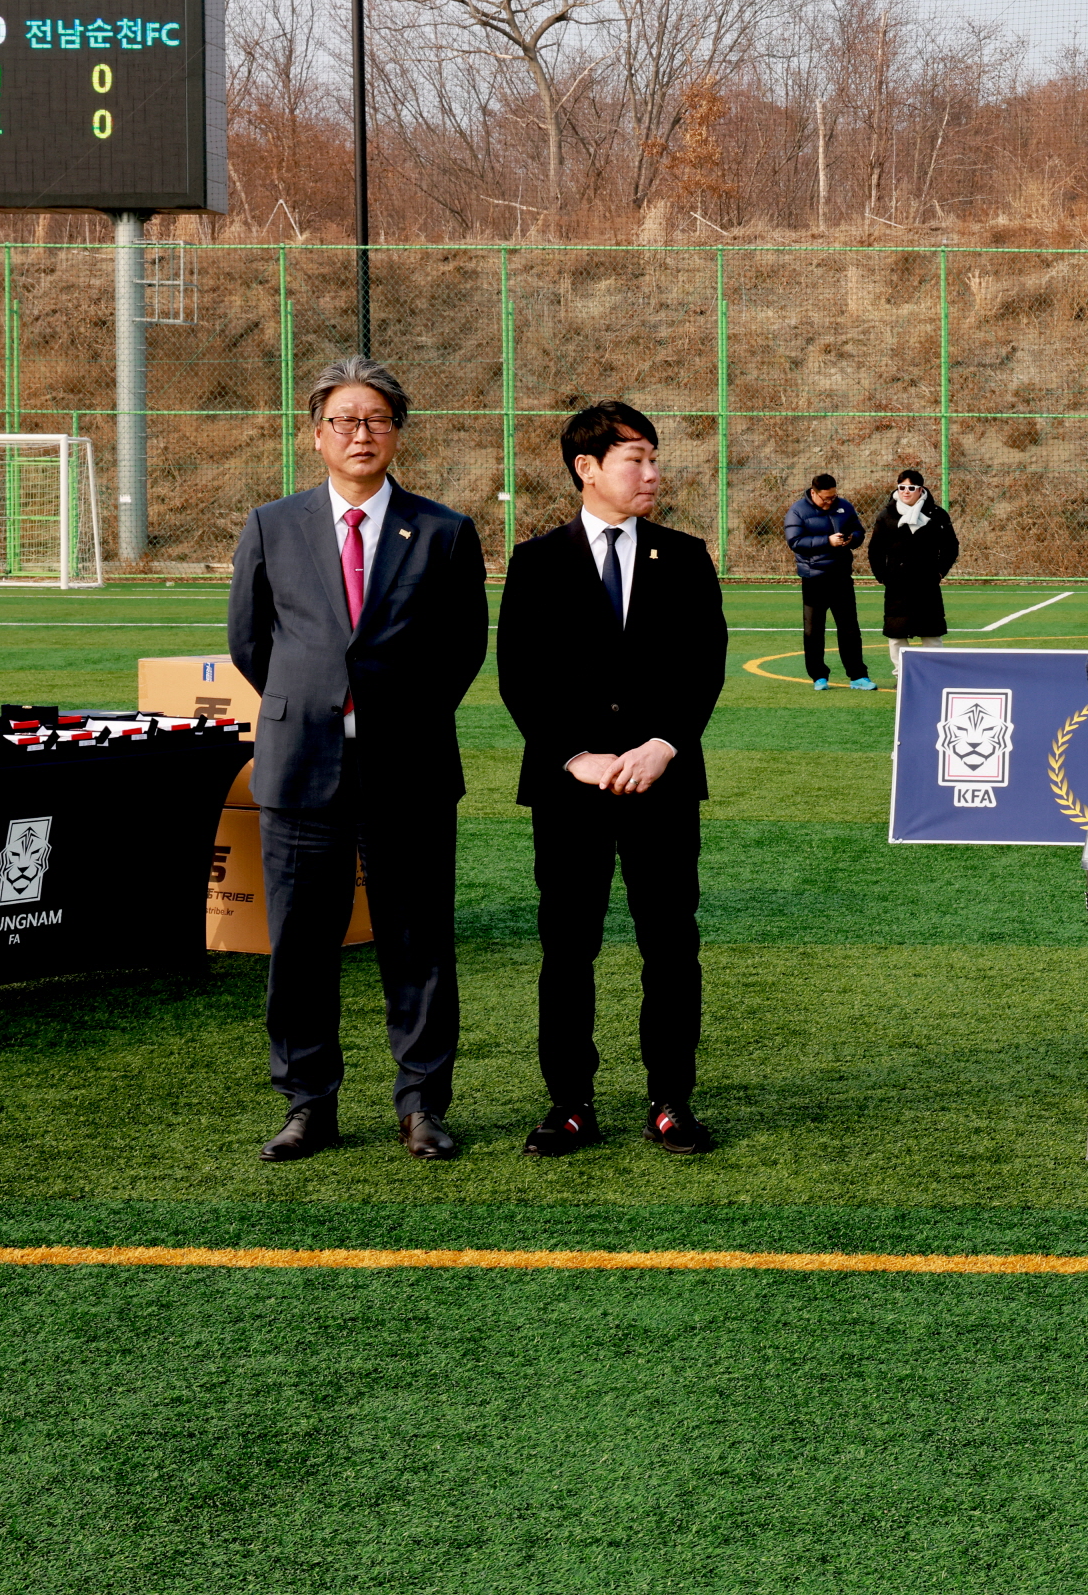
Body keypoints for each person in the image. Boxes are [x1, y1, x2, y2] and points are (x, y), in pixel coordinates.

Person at [227, 357, 489, 1163]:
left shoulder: (443, 530)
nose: (360, 432)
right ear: (316, 436)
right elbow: (251, 641)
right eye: (343, 419)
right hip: (301, 765)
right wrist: (315, 698)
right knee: (302, 945)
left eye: (375, 418)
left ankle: (421, 1104)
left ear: (397, 432)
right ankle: (309, 1104)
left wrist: (393, 712)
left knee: (418, 942)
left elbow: (463, 647)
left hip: (407, 767)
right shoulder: (272, 524)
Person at [497, 400, 730, 1159]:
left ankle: (672, 1099)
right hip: (572, 791)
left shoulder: (686, 557)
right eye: (636, 459)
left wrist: (665, 743)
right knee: (568, 947)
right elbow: (520, 678)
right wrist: (574, 756)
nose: (652, 473)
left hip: (662, 785)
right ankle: (569, 1102)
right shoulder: (535, 562)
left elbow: (704, 667)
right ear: (586, 467)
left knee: (671, 944)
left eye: (654, 457)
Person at [781, 473, 871, 691]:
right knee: (813, 631)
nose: (830, 501)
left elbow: (859, 530)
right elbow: (795, 541)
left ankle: (858, 676)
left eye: (833, 497)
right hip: (813, 578)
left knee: (850, 629)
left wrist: (853, 539)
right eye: (825, 498)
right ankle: (818, 676)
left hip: (841, 576)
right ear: (813, 493)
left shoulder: (845, 506)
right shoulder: (797, 511)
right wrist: (827, 541)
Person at [868, 469, 961, 649]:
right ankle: (901, 675)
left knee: (931, 634)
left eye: (911, 487)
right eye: (902, 487)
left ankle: (933, 674)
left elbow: (951, 546)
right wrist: (882, 576)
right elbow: (875, 550)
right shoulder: (886, 516)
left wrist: (940, 572)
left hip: (926, 583)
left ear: (921, 489)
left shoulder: (937, 515)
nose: (906, 491)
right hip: (897, 584)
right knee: (896, 635)